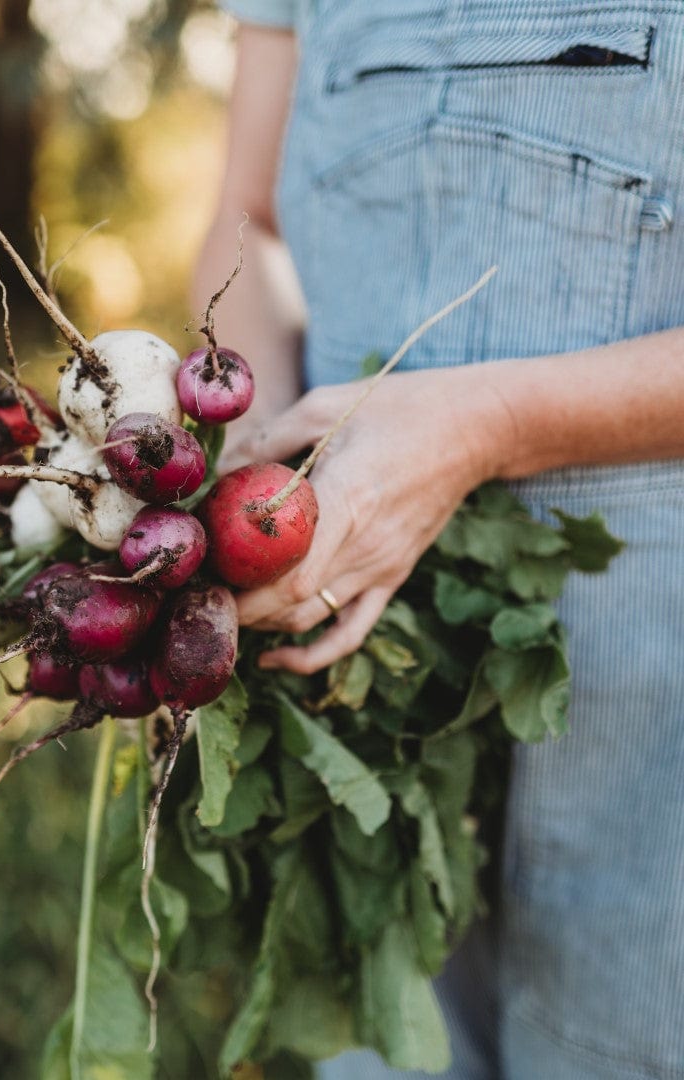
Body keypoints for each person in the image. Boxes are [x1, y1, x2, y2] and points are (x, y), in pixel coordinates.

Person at [194, 3, 684, 1078]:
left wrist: (484, 424)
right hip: (360, 674)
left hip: (657, 697)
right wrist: (257, 472)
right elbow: (245, 219)